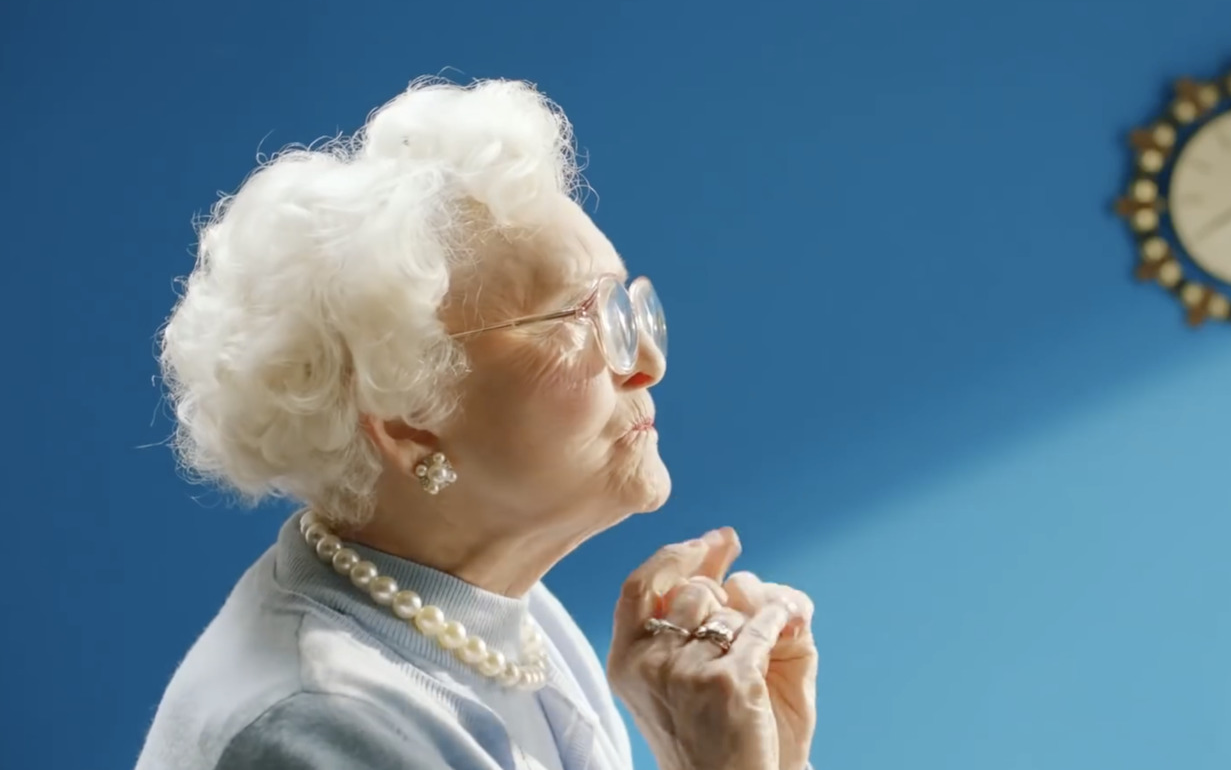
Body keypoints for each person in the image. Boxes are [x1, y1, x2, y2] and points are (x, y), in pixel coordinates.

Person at [137, 78, 819, 770]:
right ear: (408, 421)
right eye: (580, 318)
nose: (647, 363)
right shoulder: (315, 728)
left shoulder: (511, 621)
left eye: (625, 305)